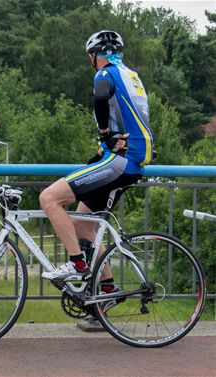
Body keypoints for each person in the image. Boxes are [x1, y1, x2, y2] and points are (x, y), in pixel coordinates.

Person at [39, 30, 154, 288]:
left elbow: (101, 95)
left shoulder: (105, 73)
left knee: (49, 198)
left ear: (93, 56)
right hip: (131, 160)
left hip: (120, 160)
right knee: (82, 224)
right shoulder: (131, 76)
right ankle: (108, 289)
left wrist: (105, 133)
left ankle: (77, 264)